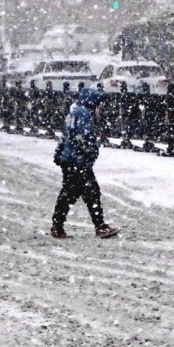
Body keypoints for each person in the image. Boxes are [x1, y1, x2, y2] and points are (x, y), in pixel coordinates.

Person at [51, 87, 118, 239]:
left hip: (70, 159)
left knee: (75, 193)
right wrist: (92, 151)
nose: (100, 107)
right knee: (87, 192)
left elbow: (65, 135)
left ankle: (58, 225)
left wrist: (59, 152)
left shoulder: (74, 112)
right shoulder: (84, 114)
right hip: (78, 161)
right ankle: (98, 226)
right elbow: (83, 137)